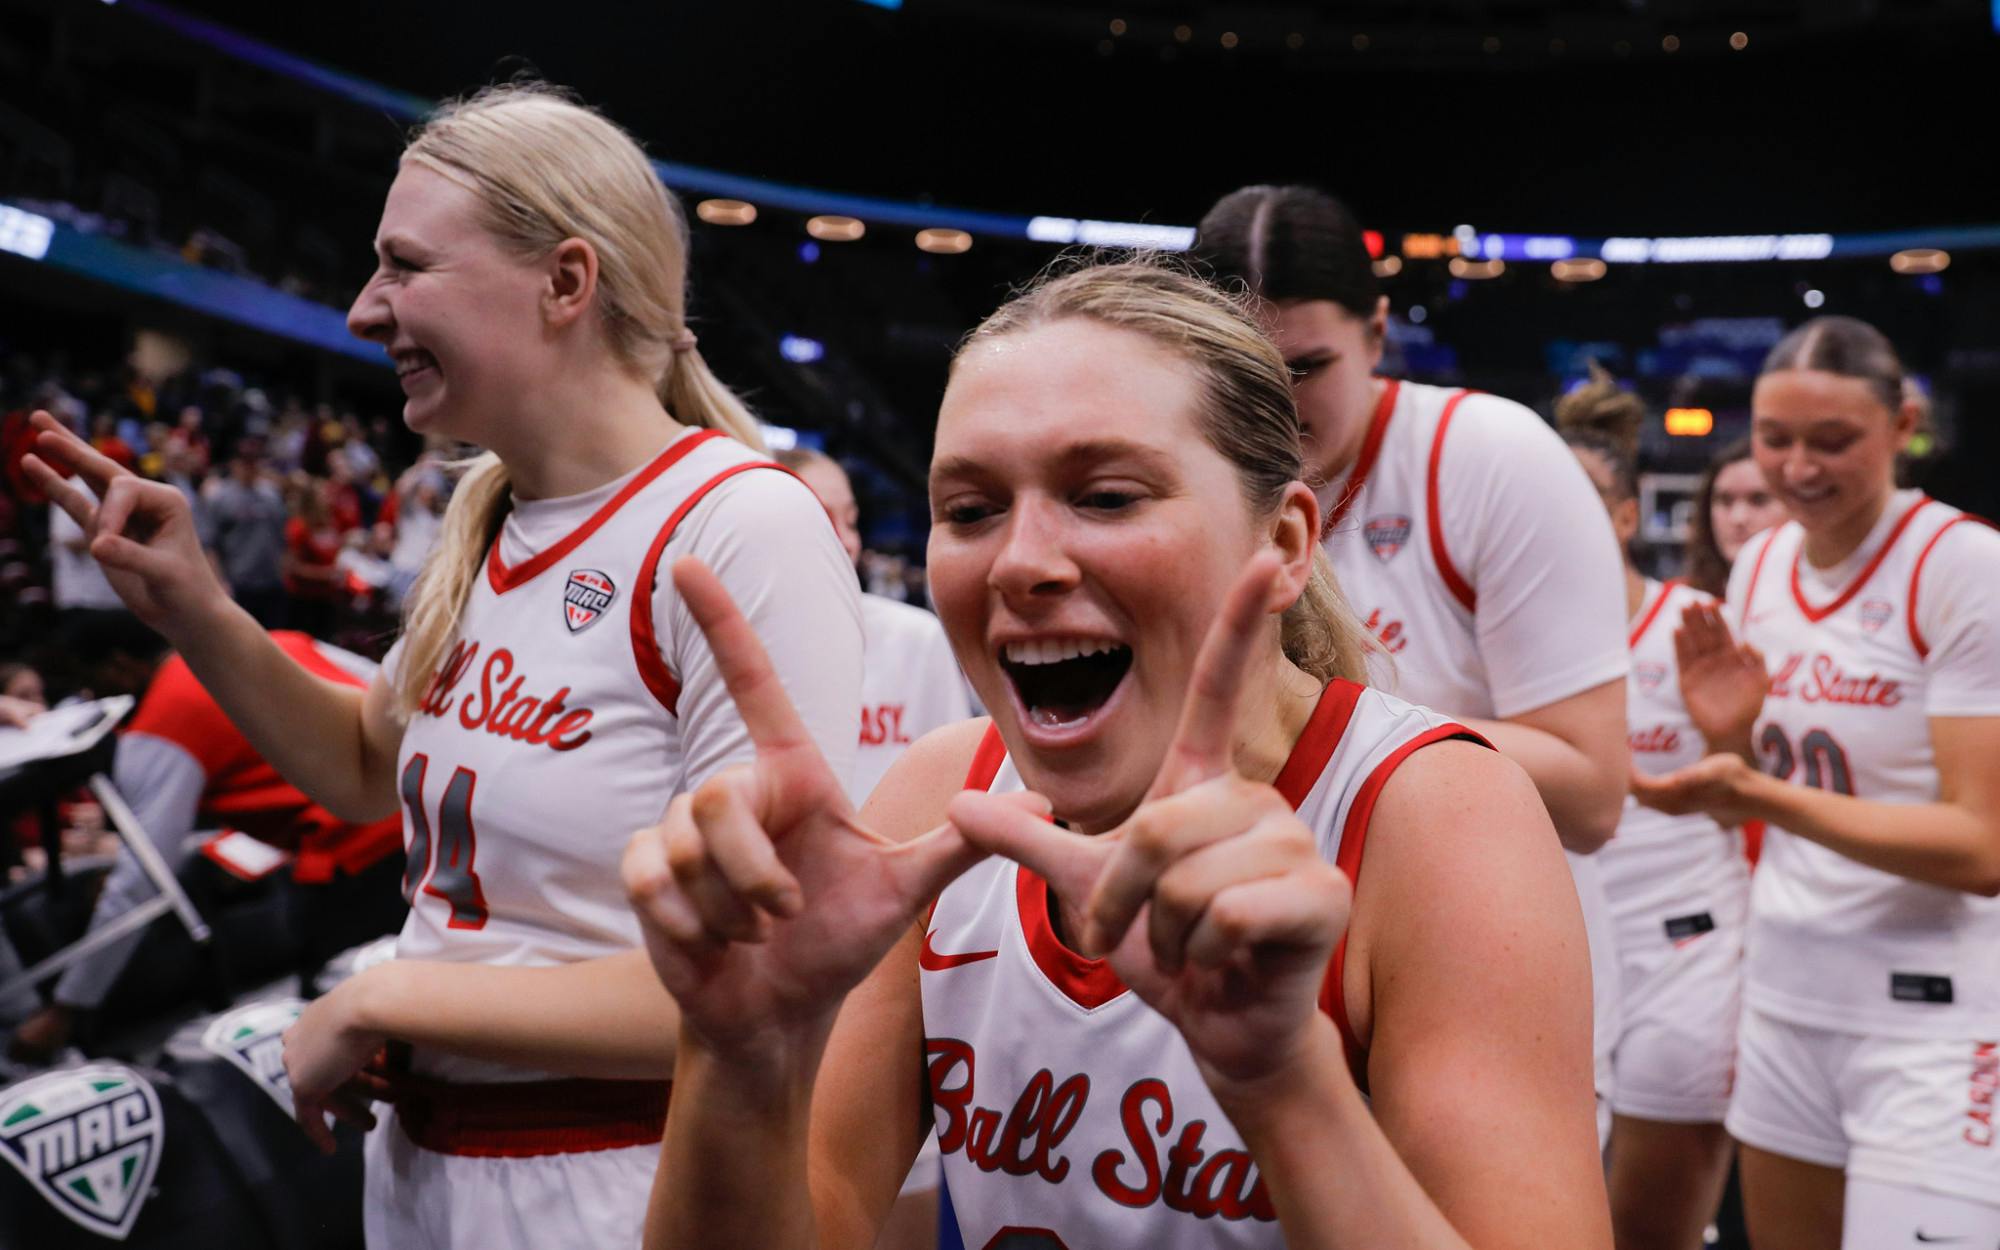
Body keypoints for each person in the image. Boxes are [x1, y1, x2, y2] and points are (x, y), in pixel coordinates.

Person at [21, 82, 862, 1250]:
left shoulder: (738, 526)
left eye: (405, 266)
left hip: (622, 1176)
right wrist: (195, 607)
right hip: (425, 1161)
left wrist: (381, 994)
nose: (366, 309)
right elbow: (368, 768)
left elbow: (770, 983)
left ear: (566, 283)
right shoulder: (491, 510)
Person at [624, 258, 1610, 1249]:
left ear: (1284, 541)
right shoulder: (940, 800)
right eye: (969, 510)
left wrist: (1283, 1086)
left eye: (1102, 495)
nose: (1020, 561)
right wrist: (736, 1058)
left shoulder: (1430, 815)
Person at [1194, 185, 1631, 1139]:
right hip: (1251, 976)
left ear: (1380, 333)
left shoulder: (1489, 457)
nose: (1278, 404)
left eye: (1308, 367)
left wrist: (1318, 730)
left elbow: (1594, 789)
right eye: (1245, 371)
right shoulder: (1184, 476)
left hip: (1484, 969)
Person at [1633, 315, 2000, 1250]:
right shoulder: (1760, 564)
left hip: (1934, 1019)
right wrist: (1734, 740)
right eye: (1775, 438)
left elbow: (1980, 847)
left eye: (1832, 441)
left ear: (1903, 423)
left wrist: (1755, 794)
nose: (1797, 467)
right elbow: (1772, 779)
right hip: (1788, 993)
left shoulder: (1961, 567)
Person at [5, 626, 405, 1065]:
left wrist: (68, 1007)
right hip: (420, 811)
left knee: (348, 1022)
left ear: (119, 666)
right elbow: (390, 692)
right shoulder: (275, 638)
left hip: (357, 848)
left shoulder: (164, 724)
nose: (89, 694)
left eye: (90, 680)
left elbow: (139, 881)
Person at [1558, 368, 1747, 1250]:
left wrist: (1731, 739)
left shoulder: (1698, 624)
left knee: (1650, 1233)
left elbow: (1752, 802)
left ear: (1628, 516)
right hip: (1554, 939)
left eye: (1582, 498)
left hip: (1688, 945)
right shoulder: (1506, 643)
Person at [779, 448, 974, 806]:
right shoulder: (726, 651)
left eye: (851, 522)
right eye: (821, 520)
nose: (848, 542)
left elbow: (960, 788)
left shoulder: (914, 639)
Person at [1684, 437, 1787, 600]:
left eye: (1758, 500)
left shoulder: (1820, 602)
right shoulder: (1680, 601)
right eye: (1725, 501)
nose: (1738, 518)